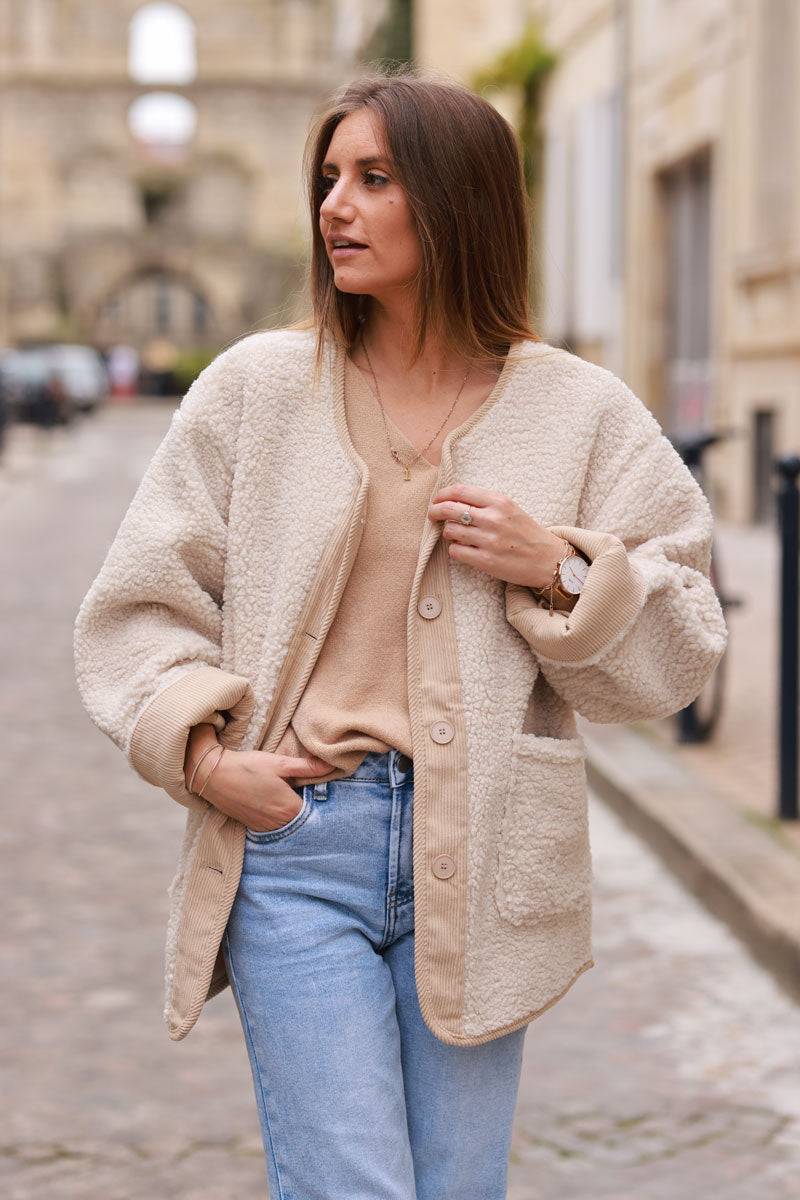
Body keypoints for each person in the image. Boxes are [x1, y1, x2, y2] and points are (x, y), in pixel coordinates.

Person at [74, 73, 727, 1199]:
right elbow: (140, 606)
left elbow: (679, 649)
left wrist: (559, 568)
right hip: (296, 846)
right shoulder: (255, 389)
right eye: (328, 178)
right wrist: (206, 761)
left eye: (373, 179)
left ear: (458, 201)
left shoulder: (577, 411)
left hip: (480, 856)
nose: (336, 204)